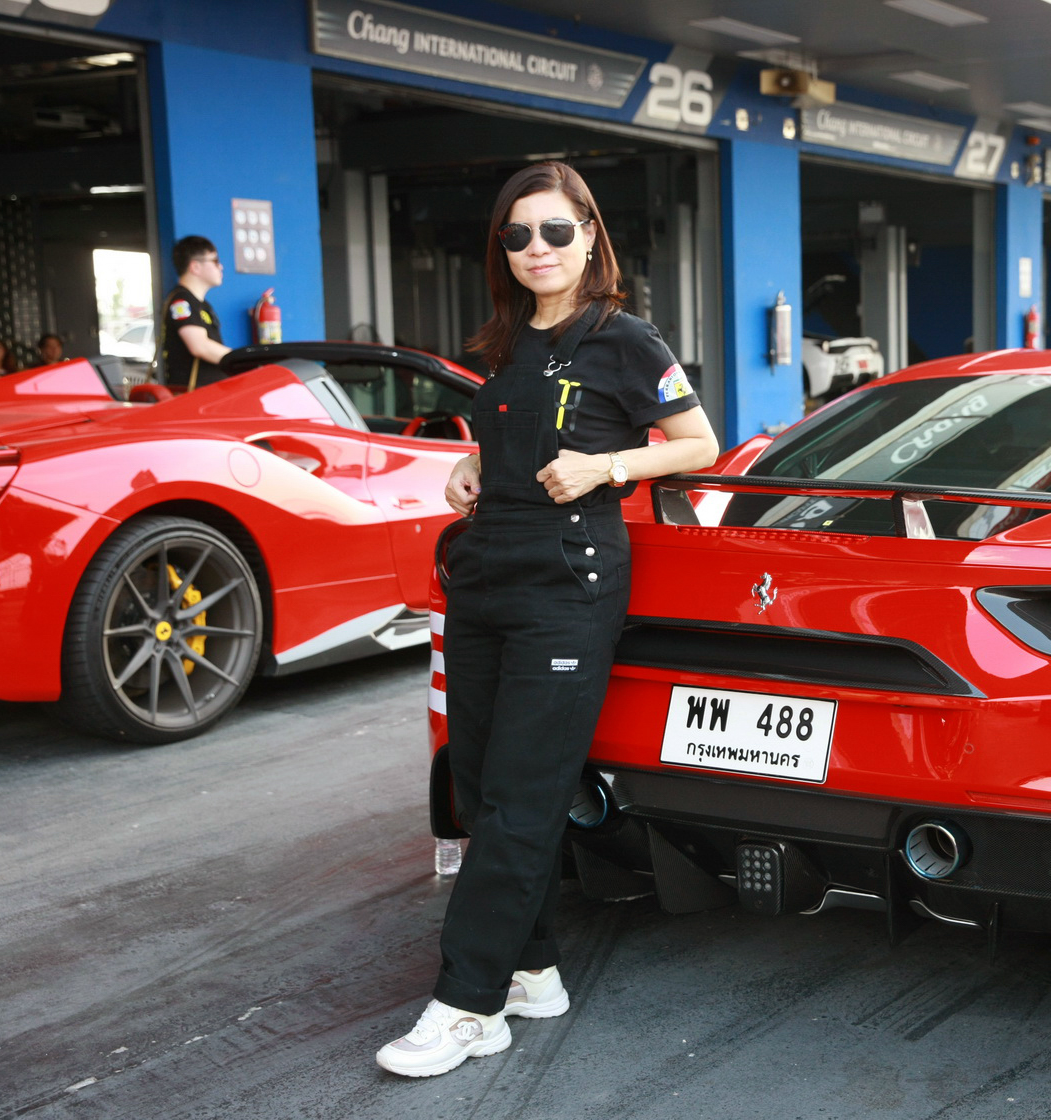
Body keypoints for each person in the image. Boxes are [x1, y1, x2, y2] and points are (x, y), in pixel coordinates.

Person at [375, 161, 718, 1079]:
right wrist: (471, 467)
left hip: (570, 583)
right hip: (488, 574)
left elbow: (699, 443)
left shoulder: (626, 337)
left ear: (590, 236)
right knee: (482, 787)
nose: (538, 249)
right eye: (518, 234)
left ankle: (467, 1003)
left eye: (556, 231)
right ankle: (531, 971)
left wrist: (609, 467)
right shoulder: (504, 341)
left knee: (524, 795)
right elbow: (512, 441)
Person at [159, 235, 232, 390]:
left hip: (209, 394)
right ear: (195, 267)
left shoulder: (202, 304)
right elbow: (200, 347)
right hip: (194, 396)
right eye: (215, 261)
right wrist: (241, 359)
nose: (221, 267)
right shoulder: (182, 301)